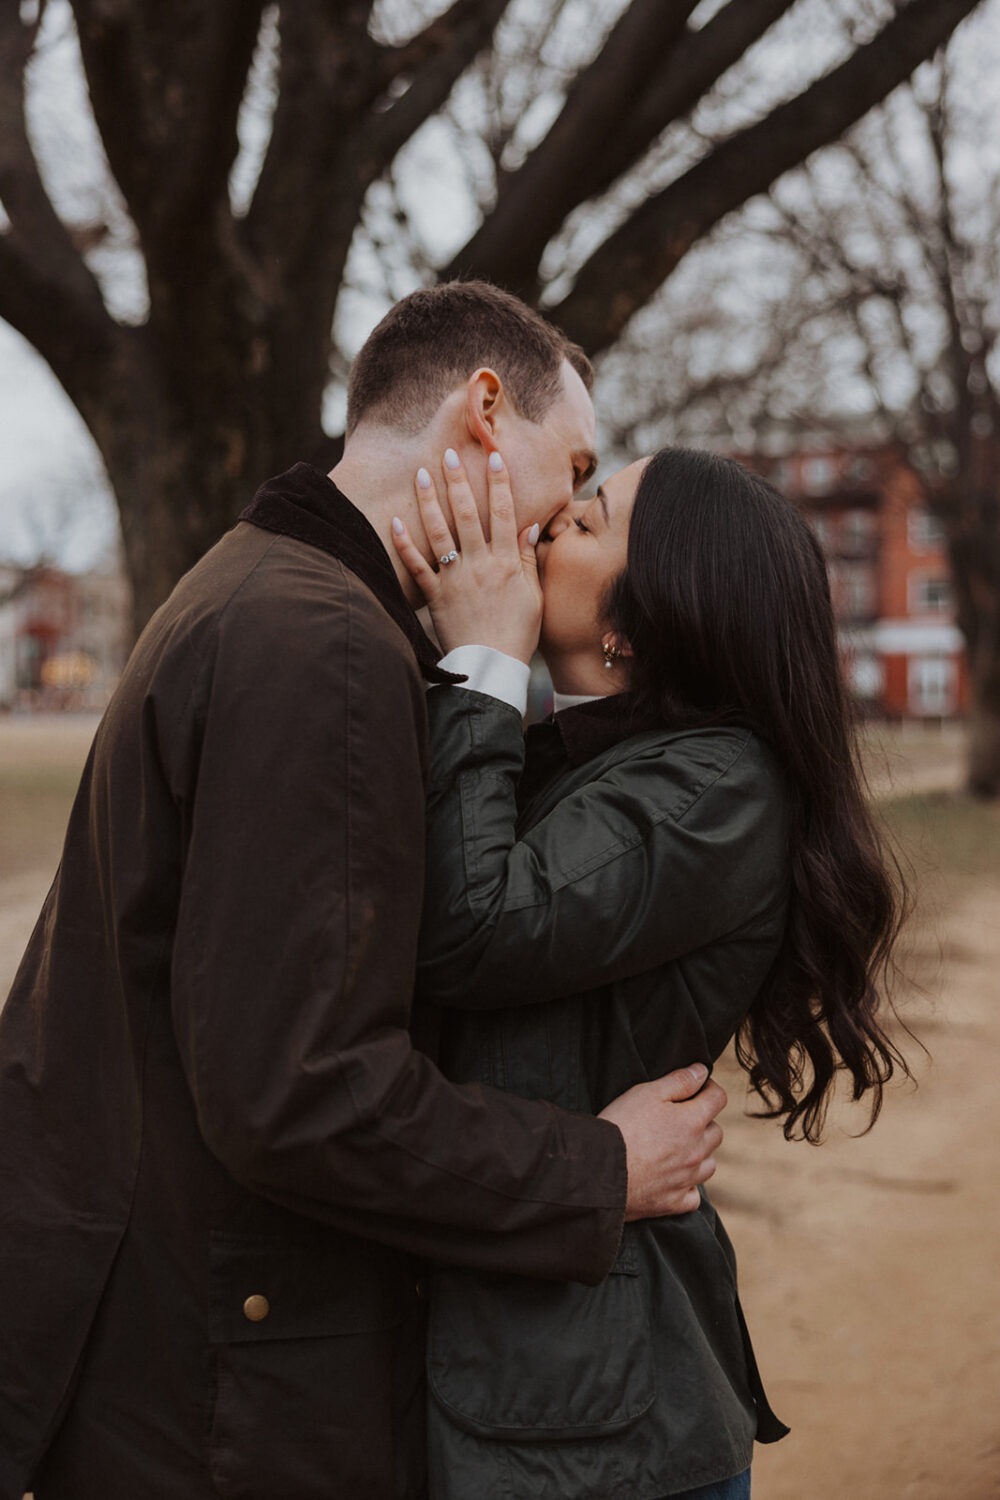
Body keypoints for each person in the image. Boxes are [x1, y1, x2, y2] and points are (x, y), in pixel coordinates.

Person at [0, 283, 727, 1500]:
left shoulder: (264, 590)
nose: (561, 524)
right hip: (215, 1393)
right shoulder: (320, 644)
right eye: (577, 468)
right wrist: (598, 1169)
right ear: (484, 413)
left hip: (181, 1344)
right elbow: (301, 1094)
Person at [392, 443, 910, 1500]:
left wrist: (485, 659)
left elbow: (477, 926)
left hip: (599, 1435)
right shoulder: (581, 753)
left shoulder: (717, 790)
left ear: (642, 618)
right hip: (526, 1388)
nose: (544, 529)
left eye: (586, 523)